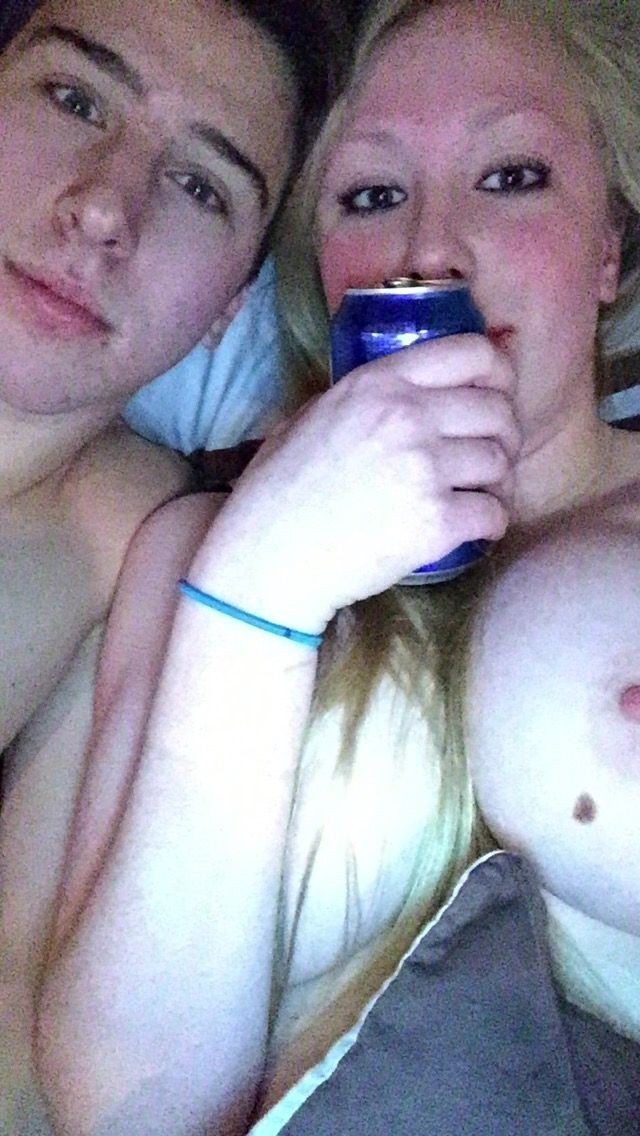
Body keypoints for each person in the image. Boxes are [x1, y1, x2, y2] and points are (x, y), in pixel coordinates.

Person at [32, 0, 640, 1133]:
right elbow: (126, 1111)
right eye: (370, 196)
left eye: (511, 177)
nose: (428, 249)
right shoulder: (195, 549)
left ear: (607, 245)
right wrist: (260, 589)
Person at [0, 0, 340, 1131]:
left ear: (229, 307)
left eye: (200, 186)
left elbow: (19, 1013)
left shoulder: (133, 542)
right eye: (74, 99)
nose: (105, 208)